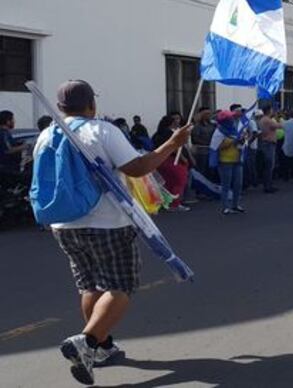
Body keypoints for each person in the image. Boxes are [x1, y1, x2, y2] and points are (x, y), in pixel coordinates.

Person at [42, 80, 191, 385]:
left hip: (64, 224)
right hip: (107, 221)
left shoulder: (47, 134)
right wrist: (172, 145)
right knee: (120, 287)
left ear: (60, 108)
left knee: (90, 285)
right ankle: (86, 342)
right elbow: (137, 167)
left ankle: (101, 347)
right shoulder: (102, 130)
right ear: (92, 105)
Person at [210, 110, 246, 215]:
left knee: (238, 184)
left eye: (232, 118)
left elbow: (240, 143)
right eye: (230, 118)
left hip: (237, 160)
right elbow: (217, 147)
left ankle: (235, 205)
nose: (232, 120)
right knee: (226, 185)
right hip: (225, 161)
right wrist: (233, 141)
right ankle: (225, 207)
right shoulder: (219, 132)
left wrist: (242, 140)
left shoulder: (235, 130)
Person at [258, 106, 281, 194]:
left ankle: (268, 184)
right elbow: (279, 126)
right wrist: (277, 118)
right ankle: (268, 186)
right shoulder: (267, 120)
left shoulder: (262, 119)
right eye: (272, 110)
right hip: (269, 143)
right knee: (269, 165)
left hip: (265, 143)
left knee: (268, 165)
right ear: (269, 111)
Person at [0, 110, 28, 180]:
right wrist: (24, 146)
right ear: (8, 121)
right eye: (12, 119)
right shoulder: (3, 134)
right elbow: (8, 150)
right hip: (7, 168)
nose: (14, 122)